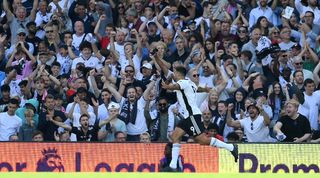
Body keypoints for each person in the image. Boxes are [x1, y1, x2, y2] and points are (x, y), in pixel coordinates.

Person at [161, 66, 238, 171]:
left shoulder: (183, 82)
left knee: (203, 140)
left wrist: (167, 87)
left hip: (192, 116)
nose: (173, 74)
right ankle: (173, 166)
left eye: (174, 72)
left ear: (178, 74)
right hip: (188, 117)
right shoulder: (190, 83)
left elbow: (175, 86)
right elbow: (198, 88)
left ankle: (231, 147)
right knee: (175, 136)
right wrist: (205, 89)